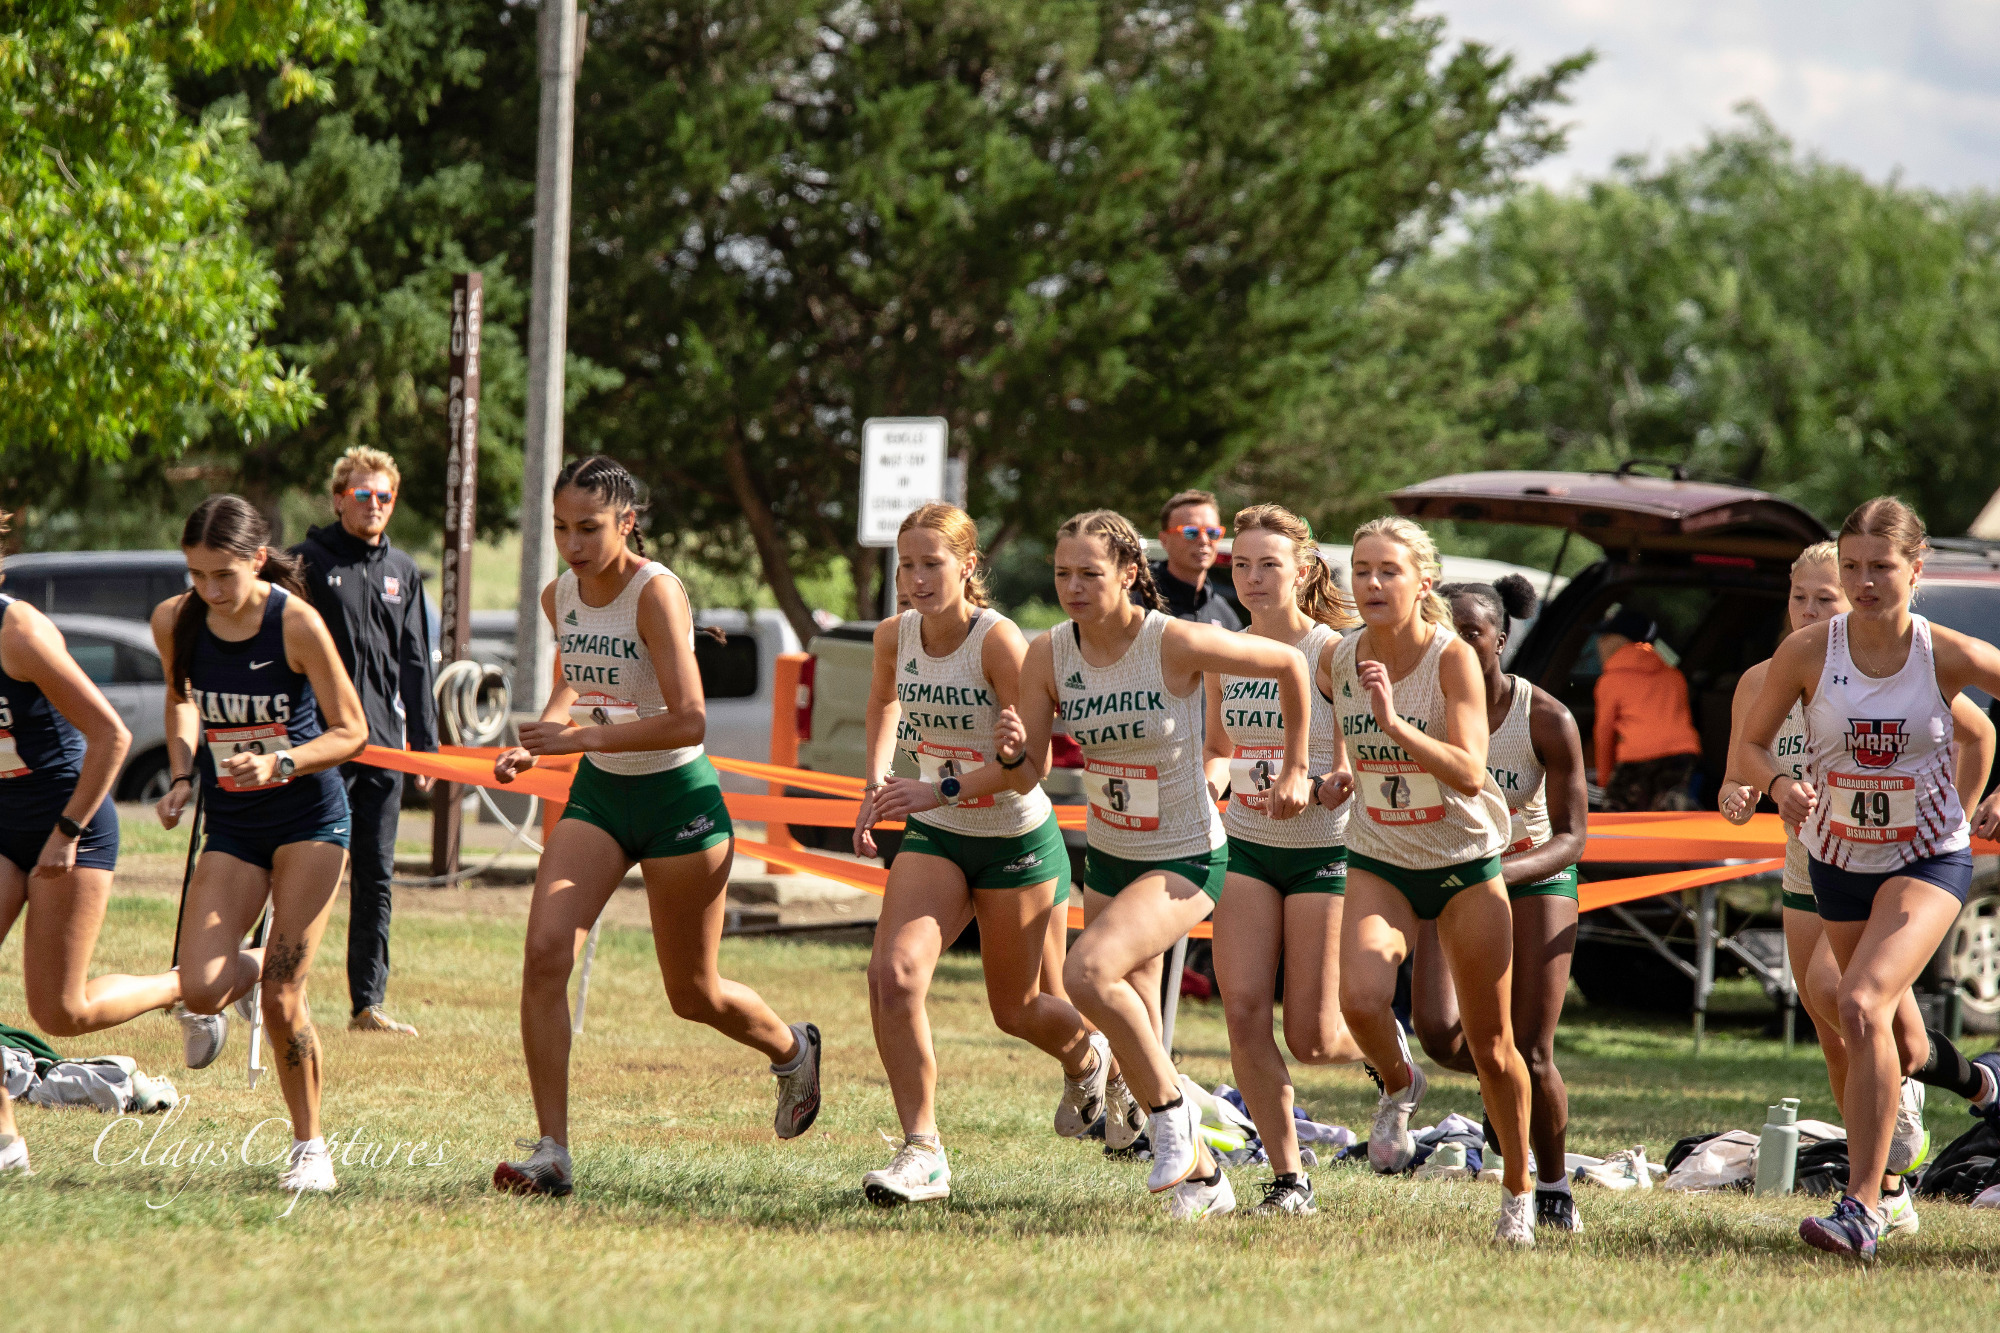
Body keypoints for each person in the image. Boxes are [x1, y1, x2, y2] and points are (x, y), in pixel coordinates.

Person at [491, 457, 822, 1198]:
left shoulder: (656, 591)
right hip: (601, 799)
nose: (573, 544)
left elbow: (690, 717)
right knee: (545, 951)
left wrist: (580, 739)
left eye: (590, 528)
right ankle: (552, 1150)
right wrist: (540, 734)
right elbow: (579, 672)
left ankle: (792, 1047)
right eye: (561, 528)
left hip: (678, 799)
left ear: (627, 521)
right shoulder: (560, 595)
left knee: (692, 992)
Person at [1014, 509, 1314, 1222]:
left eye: (1090, 572)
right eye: (1062, 573)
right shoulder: (1047, 653)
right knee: (1134, 1023)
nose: (1074, 587)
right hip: (1113, 857)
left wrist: (1297, 765)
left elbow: (1289, 664)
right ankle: (1206, 1181)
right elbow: (1025, 768)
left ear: (1128, 572)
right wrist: (1004, 752)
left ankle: (1174, 1120)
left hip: (1186, 853)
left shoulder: (1170, 639)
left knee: (1085, 973)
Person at [1740, 496, 2000, 1262]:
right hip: (1838, 859)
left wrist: (1983, 801)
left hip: (1927, 860)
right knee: (1889, 1034)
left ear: (1916, 570)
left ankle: (1866, 1201)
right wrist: (1780, 784)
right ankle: (1980, 1096)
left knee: (1857, 1002)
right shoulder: (1808, 654)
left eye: (1880, 567)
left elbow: (1981, 731)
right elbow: (1752, 748)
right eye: (1850, 566)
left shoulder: (1942, 651)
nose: (1862, 581)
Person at [850, 503, 1100, 1205]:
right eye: (907, 564)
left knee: (1019, 1009)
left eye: (933, 563)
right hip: (938, 833)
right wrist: (876, 780)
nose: (918, 578)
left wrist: (944, 785)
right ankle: (921, 1150)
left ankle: (1093, 1056)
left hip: (1015, 836)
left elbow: (1031, 768)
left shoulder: (997, 641)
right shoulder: (892, 635)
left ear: (967, 566)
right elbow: (881, 702)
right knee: (893, 976)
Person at [1324, 516, 1536, 1248]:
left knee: (1494, 1045)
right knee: (1357, 997)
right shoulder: (1341, 656)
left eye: (1388, 570)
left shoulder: (1451, 660)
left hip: (1462, 863)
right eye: (1361, 569)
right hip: (1380, 854)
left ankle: (1518, 1188)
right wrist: (1341, 773)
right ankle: (1398, 1082)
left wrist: (1393, 721)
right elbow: (1352, 738)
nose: (1372, 583)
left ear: (1422, 581)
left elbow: (1471, 770)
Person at [152, 495, 368, 1192]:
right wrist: (183, 774)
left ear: (256, 558)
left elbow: (351, 730)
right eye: (196, 575)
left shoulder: (295, 623)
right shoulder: (176, 619)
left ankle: (311, 1150)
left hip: (309, 819)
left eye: (223, 575)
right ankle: (258, 966)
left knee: (283, 997)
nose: (209, 591)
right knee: (202, 989)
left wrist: (282, 761)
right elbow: (181, 695)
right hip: (234, 823)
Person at [0, 515, 224, 1178]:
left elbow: (112, 737)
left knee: (60, 1011)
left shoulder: (17, 631)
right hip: (3, 817)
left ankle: (184, 984)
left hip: (69, 817)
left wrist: (66, 833)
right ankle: (7, 1147)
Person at [1407, 576, 1589, 1233]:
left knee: (1531, 1051)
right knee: (1439, 1033)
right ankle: (1500, 1089)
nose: (1455, 644)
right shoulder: (1420, 709)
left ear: (1500, 640)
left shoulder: (1544, 716)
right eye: (1443, 632)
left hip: (1533, 876)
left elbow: (1572, 837)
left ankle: (1553, 1182)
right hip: (1451, 875)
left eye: (1471, 632)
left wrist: (1503, 868)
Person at [1202, 504, 1364, 1217]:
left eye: (1269, 563)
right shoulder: (1224, 650)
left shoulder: (1333, 651)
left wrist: (1323, 783)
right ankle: (1289, 1176)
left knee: (1313, 1034)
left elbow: (1355, 756)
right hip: (1245, 849)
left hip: (1324, 851)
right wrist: (1210, 783)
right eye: (1241, 563)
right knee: (1241, 1012)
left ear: (1303, 569)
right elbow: (1216, 747)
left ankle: (1388, 1056)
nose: (1254, 577)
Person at [293, 446, 437, 1037]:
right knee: (301, 866)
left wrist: (424, 746)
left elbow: (416, 665)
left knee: (376, 875)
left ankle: (366, 1005)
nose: (374, 505)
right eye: (362, 495)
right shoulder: (307, 561)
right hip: (321, 743)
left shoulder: (403, 570)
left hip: (383, 748)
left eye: (384, 496)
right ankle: (258, 981)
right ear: (338, 498)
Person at [1592, 607, 1702, 810]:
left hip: (1637, 756)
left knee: (1615, 816)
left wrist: (1605, 781)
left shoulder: (1611, 681)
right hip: (1682, 754)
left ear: (1620, 641)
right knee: (1669, 814)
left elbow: (1604, 733)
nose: (1599, 642)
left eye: (1605, 636)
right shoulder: (1674, 675)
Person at [1150, 490, 1242, 630]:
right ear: (1164, 540)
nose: (1204, 540)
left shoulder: (1224, 613)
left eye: (1212, 533)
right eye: (1191, 532)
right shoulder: (1142, 599)